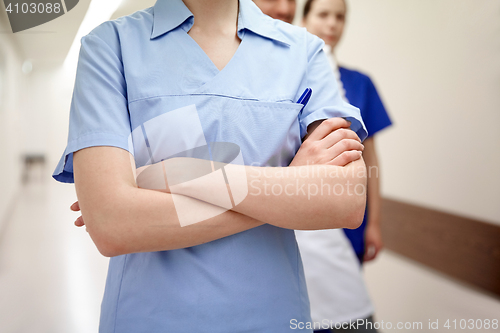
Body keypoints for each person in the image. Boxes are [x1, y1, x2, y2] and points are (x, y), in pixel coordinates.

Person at [54, 0, 369, 332]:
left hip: (273, 316)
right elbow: (112, 225)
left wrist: (182, 173)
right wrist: (287, 184)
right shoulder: (109, 46)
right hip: (151, 318)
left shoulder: (303, 50)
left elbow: (345, 201)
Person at [294, 0, 393, 332]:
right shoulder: (287, 77)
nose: (332, 24)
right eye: (323, 15)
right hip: (297, 212)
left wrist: (373, 222)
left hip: (348, 220)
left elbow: (370, 160)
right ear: (303, 18)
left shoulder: (359, 82)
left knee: (343, 309)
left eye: (340, 17)